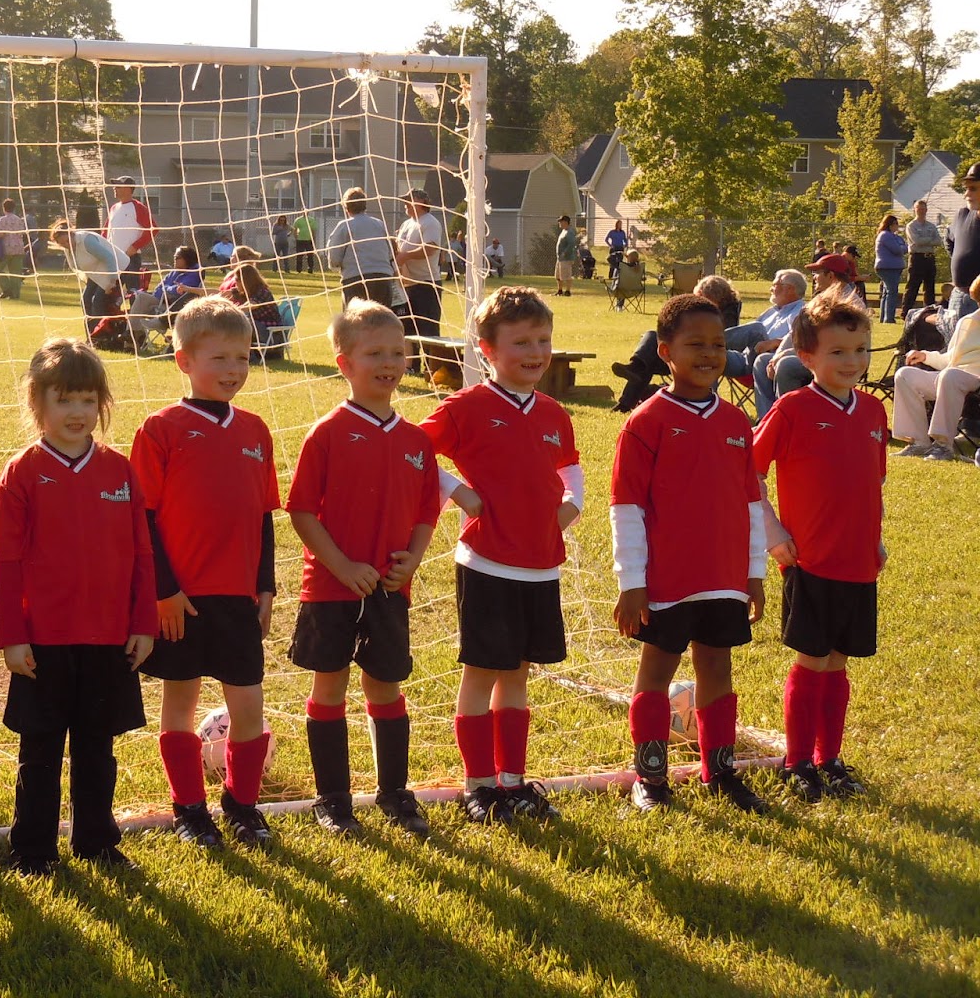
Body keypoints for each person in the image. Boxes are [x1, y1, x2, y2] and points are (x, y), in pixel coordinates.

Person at [0, 339, 158, 875]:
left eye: (88, 400)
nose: (77, 412)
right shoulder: (21, 473)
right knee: (40, 751)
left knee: (97, 749)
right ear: (37, 401)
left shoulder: (120, 471)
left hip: (109, 639)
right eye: (64, 399)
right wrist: (13, 636)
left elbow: (142, 554)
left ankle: (97, 842)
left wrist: (143, 623)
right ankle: (32, 850)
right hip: (43, 642)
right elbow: (7, 563)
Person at [421, 287, 580, 824]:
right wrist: (458, 491)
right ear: (487, 349)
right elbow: (410, 450)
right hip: (487, 562)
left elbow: (570, 466)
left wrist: (573, 502)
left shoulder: (553, 412)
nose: (536, 352)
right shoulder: (465, 407)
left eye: (543, 340)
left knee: (518, 673)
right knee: (483, 671)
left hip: (541, 564)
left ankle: (512, 782)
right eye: (521, 342)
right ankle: (479, 786)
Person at [286, 300, 441, 837]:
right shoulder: (327, 432)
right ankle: (332, 800)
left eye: (398, 352)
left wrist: (413, 559)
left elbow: (426, 512)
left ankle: (394, 793)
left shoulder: (417, 440)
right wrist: (342, 565)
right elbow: (301, 511)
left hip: (389, 590)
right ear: (345, 363)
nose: (389, 362)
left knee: (385, 687)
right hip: (331, 587)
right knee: (330, 687)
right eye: (375, 353)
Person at [131, 299, 280, 849]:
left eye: (242, 357)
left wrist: (265, 586)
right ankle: (189, 809)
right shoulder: (160, 429)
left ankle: (243, 805)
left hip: (237, 597)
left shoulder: (255, 430)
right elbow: (142, 520)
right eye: (219, 358)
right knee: (180, 702)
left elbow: (264, 516)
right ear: (184, 361)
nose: (233, 369)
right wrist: (165, 592)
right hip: (182, 600)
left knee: (248, 704)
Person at [611, 294, 768, 815]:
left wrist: (754, 573)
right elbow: (626, 507)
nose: (709, 353)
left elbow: (751, 503)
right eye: (695, 344)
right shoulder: (646, 422)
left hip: (723, 576)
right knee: (657, 670)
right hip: (666, 579)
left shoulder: (736, 423)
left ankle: (719, 772)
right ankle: (650, 777)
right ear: (665, 352)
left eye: (718, 344)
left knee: (717, 668)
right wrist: (632, 582)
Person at [753, 292, 883, 803]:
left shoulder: (872, 410)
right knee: (813, 662)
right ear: (806, 357)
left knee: (839, 663)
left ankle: (829, 758)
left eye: (860, 350)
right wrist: (772, 533)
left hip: (859, 563)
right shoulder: (793, 409)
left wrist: (874, 539)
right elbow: (748, 475)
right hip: (810, 561)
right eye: (838, 352)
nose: (852, 361)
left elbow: (871, 483)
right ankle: (797, 762)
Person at [612, 272, 789, 412]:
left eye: (700, 297)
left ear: (712, 295)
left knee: (750, 331)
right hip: (693, 353)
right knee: (651, 343)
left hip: (735, 357)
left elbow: (720, 341)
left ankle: (649, 385)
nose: (696, 302)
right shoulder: (770, 311)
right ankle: (631, 387)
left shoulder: (725, 312)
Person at [754, 255, 865, 416]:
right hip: (817, 355)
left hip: (839, 358)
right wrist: (777, 355)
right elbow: (796, 332)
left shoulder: (848, 304)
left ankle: (790, 418)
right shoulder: (821, 299)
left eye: (817, 273)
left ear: (830, 276)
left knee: (786, 365)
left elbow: (830, 344)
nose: (814, 278)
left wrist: (784, 356)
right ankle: (768, 418)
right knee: (763, 360)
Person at [891, 274, 980, 461]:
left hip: (973, 378)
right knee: (905, 375)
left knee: (950, 376)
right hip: (953, 375)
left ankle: (942, 445)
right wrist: (925, 356)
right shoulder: (967, 322)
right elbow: (951, 358)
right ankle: (918, 442)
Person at [48, 218, 129, 343]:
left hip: (117, 269)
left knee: (97, 300)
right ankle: (91, 337)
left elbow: (109, 258)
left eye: (67, 240)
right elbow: (80, 267)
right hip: (97, 273)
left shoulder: (87, 240)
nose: (66, 245)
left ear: (71, 233)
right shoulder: (68, 250)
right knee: (85, 299)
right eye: (62, 244)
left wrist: (112, 282)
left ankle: (102, 337)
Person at [394, 189, 444, 373]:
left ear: (422, 202)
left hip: (426, 284)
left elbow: (430, 248)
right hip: (407, 284)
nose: (405, 204)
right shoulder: (407, 224)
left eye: (409, 200)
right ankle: (411, 366)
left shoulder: (430, 222)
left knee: (427, 329)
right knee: (407, 327)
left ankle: (432, 368)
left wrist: (405, 256)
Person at [325, 188, 398, 310]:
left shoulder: (345, 226)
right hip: (383, 279)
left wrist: (335, 266)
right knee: (381, 319)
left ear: (346, 207)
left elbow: (334, 257)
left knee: (355, 319)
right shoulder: (379, 224)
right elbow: (390, 252)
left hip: (356, 279)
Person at [218, 247, 281, 350]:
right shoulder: (246, 290)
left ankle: (244, 354)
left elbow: (249, 306)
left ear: (245, 280)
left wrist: (228, 312)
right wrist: (192, 289)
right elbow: (220, 293)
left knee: (241, 321)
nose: (235, 283)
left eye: (237, 280)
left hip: (270, 333)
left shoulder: (261, 292)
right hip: (258, 328)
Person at [105, 176, 154, 295]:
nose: (114, 188)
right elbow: (105, 231)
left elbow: (153, 229)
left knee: (133, 292)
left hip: (130, 258)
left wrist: (135, 247)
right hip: (113, 258)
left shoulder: (138, 207)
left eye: (118, 186)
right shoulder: (114, 208)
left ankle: (135, 308)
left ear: (128, 189)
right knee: (110, 293)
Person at [948, 163, 980, 316]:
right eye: (966, 188)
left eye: (973, 188)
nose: (967, 194)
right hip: (959, 297)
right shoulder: (963, 215)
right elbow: (949, 241)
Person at [903, 198, 942, 314]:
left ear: (926, 210)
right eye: (918, 209)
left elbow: (938, 241)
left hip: (929, 258)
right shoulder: (911, 226)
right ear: (915, 210)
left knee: (929, 287)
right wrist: (930, 240)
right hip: (917, 258)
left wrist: (925, 241)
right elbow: (917, 241)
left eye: (923, 209)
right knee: (913, 286)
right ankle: (906, 312)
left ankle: (929, 312)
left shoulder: (931, 226)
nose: (921, 211)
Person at [154, 245, 207, 317]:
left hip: (174, 306)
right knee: (140, 296)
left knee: (141, 298)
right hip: (160, 301)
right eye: (174, 257)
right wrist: (164, 291)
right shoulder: (174, 272)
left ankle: (141, 323)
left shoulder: (194, 273)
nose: (175, 259)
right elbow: (158, 288)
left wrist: (165, 289)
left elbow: (179, 290)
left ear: (187, 259)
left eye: (177, 257)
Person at [873, 214, 907, 325]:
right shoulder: (885, 235)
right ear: (890, 224)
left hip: (893, 267)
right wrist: (902, 247)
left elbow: (905, 246)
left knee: (886, 292)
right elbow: (898, 249)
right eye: (896, 224)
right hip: (888, 267)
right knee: (892, 292)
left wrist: (903, 247)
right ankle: (889, 318)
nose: (897, 226)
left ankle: (884, 317)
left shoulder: (894, 236)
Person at [0, 198, 29, 300]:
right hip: (18, 248)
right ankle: (15, 294)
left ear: (3, 208)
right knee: (16, 273)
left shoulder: (2, 220)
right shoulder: (19, 220)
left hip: (6, 249)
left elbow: (0, 234)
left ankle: (7, 288)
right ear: (14, 208)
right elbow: (22, 233)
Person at [553, 215, 577, 297]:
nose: (559, 223)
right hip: (560, 258)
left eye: (561, 221)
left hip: (566, 258)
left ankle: (567, 291)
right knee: (558, 275)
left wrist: (565, 252)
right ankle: (560, 291)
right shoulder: (564, 231)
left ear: (566, 222)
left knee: (566, 275)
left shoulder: (569, 232)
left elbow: (571, 244)